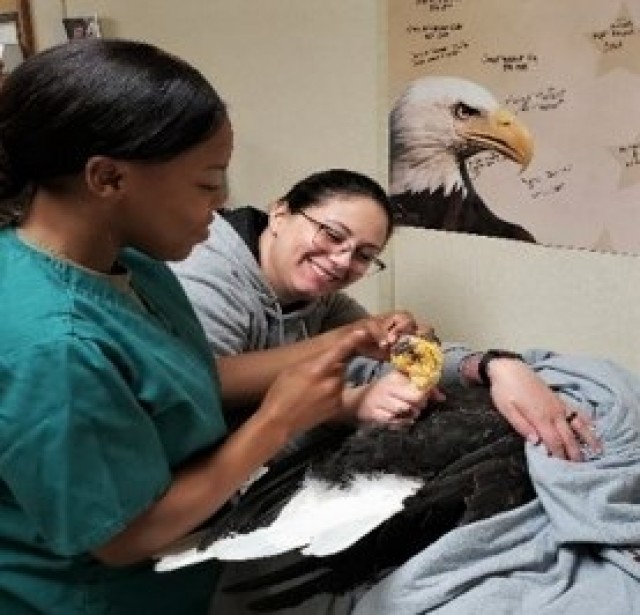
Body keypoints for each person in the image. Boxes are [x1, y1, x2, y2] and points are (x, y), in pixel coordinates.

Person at [0, 38, 397, 615]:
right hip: (91, 596)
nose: (222, 205)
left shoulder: (137, 266)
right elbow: (122, 539)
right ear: (108, 178)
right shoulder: (57, 345)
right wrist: (276, 419)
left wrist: (343, 346)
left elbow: (180, 382)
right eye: (207, 183)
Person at [171, 169, 601, 460]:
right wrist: (349, 398)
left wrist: (495, 364)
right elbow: (201, 384)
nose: (341, 261)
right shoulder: (206, 265)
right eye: (333, 235)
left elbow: (396, 351)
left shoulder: (319, 296)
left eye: (364, 256)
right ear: (281, 213)